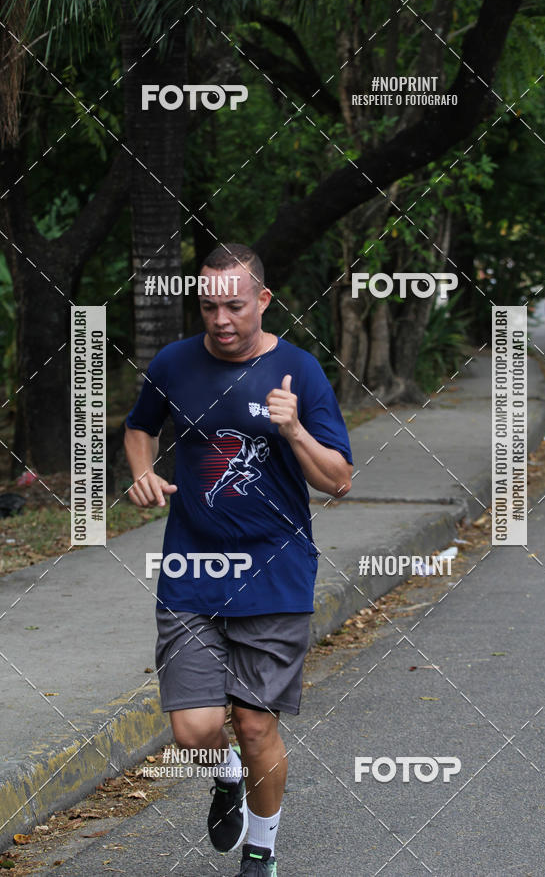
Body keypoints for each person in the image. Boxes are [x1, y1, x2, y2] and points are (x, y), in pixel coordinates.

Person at [124, 243, 353, 876]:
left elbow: (339, 480)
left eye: (234, 304)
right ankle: (226, 775)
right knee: (194, 733)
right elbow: (139, 426)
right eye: (208, 306)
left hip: (274, 575)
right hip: (191, 571)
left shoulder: (299, 372)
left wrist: (295, 430)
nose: (221, 319)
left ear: (263, 300)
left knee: (255, 725)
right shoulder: (174, 363)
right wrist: (143, 472)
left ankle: (261, 852)